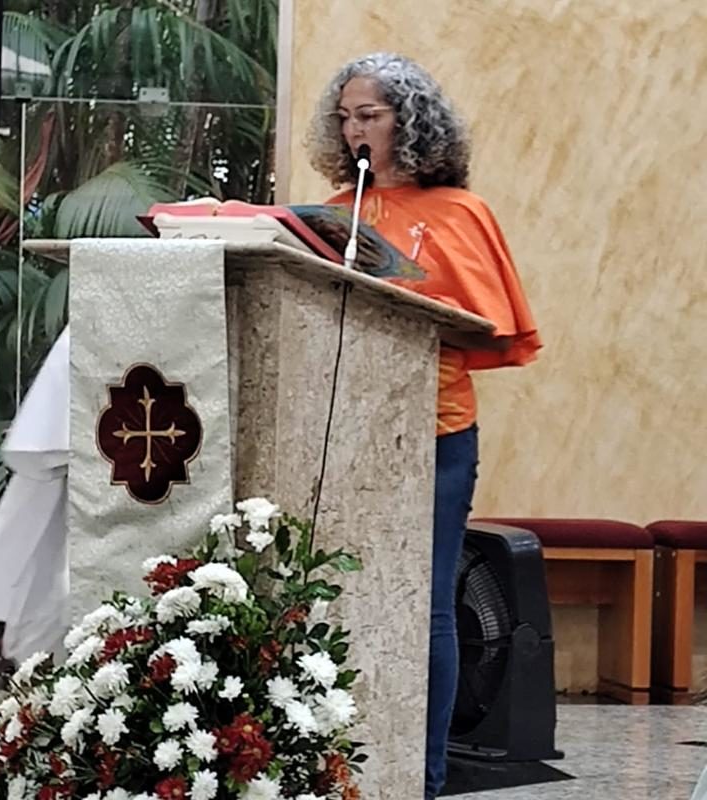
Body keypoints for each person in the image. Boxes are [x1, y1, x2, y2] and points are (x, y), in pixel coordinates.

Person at [307, 52, 542, 800]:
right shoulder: (332, 214)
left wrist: (412, 296)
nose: (355, 130)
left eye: (369, 115)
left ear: (408, 121)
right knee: (338, 590)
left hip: (435, 428)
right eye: (345, 117)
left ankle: (424, 775)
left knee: (429, 600)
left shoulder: (459, 212)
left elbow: (485, 324)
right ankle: (336, 761)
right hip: (346, 425)